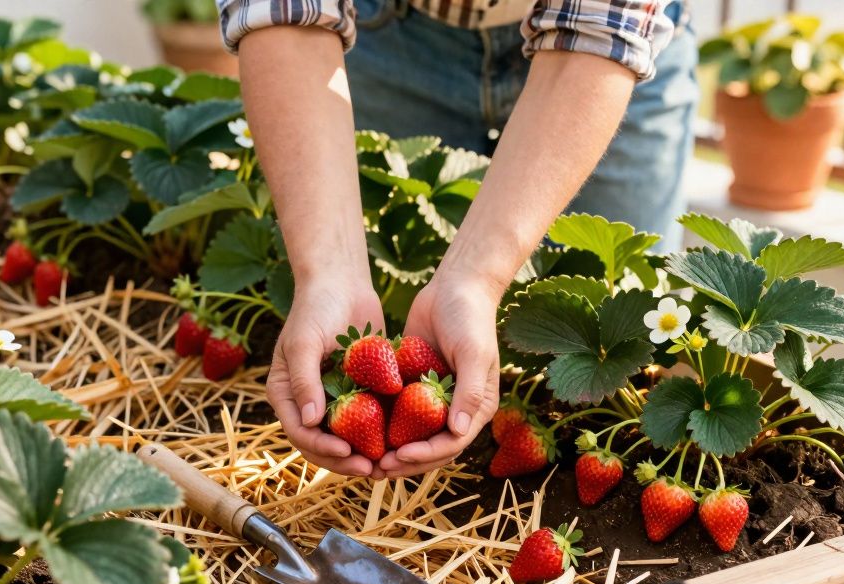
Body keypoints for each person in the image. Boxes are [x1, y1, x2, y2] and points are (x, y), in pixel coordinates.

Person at [215, 0, 697, 478]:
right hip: (387, 39)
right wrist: (327, 274)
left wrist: (475, 282)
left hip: (605, 59)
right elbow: (284, 10)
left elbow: (597, 26)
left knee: (620, 345)